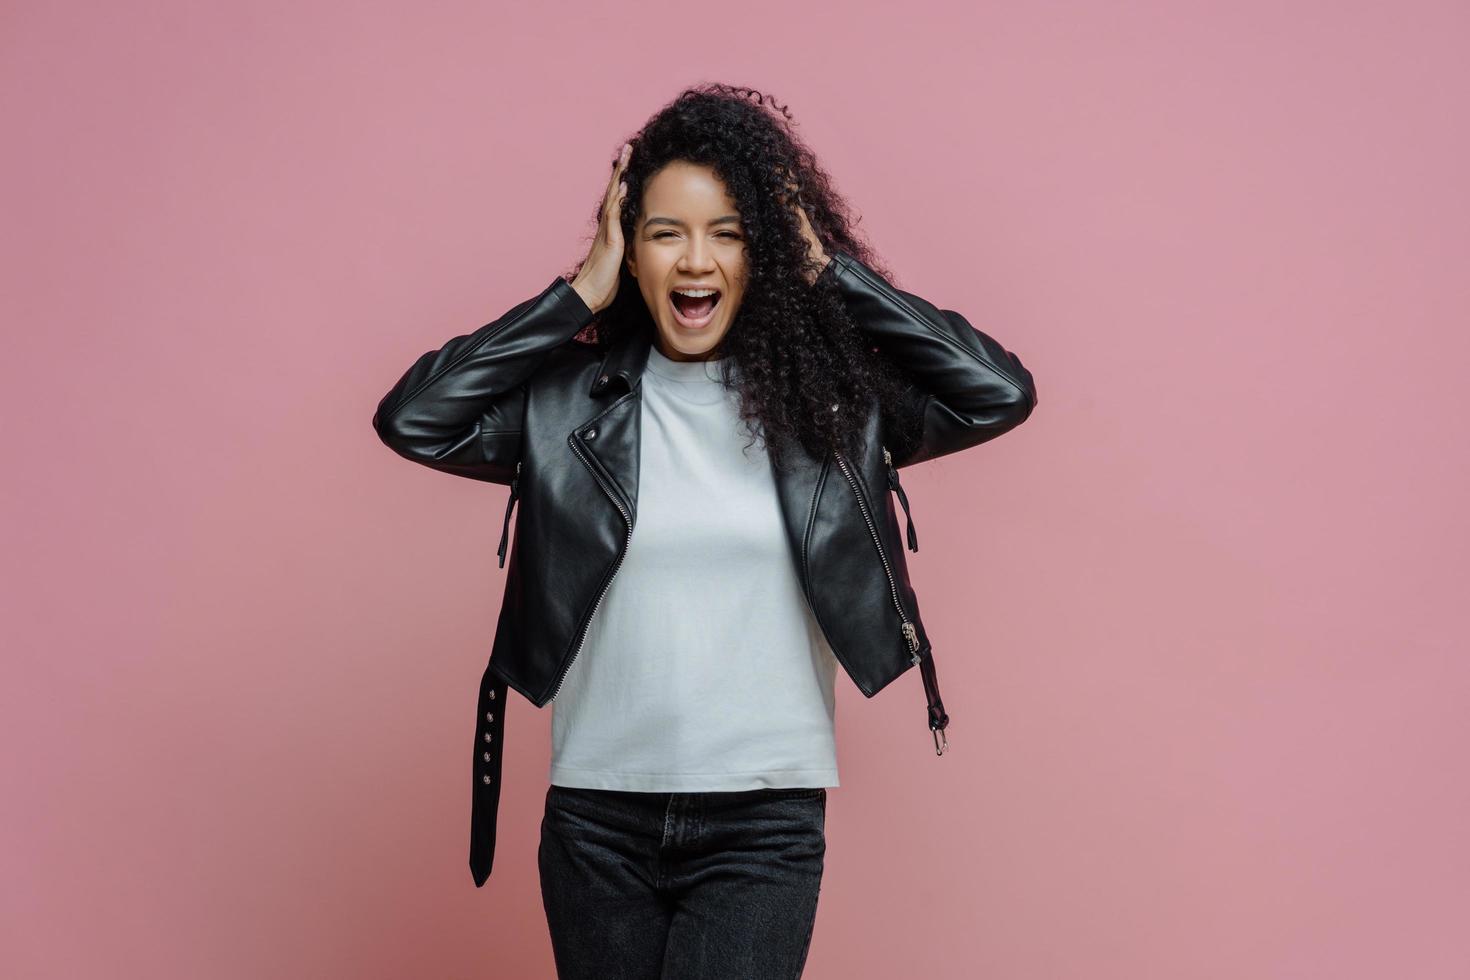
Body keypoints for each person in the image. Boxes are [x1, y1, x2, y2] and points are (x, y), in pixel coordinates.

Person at [372, 82, 1038, 980]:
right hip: (595, 818)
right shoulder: (568, 406)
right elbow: (415, 417)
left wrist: (833, 270)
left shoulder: (830, 404)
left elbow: (997, 391)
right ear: (630, 252)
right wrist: (576, 296)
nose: (697, 260)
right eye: (665, 232)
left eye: (728, 231)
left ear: (764, 250)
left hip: (762, 822)